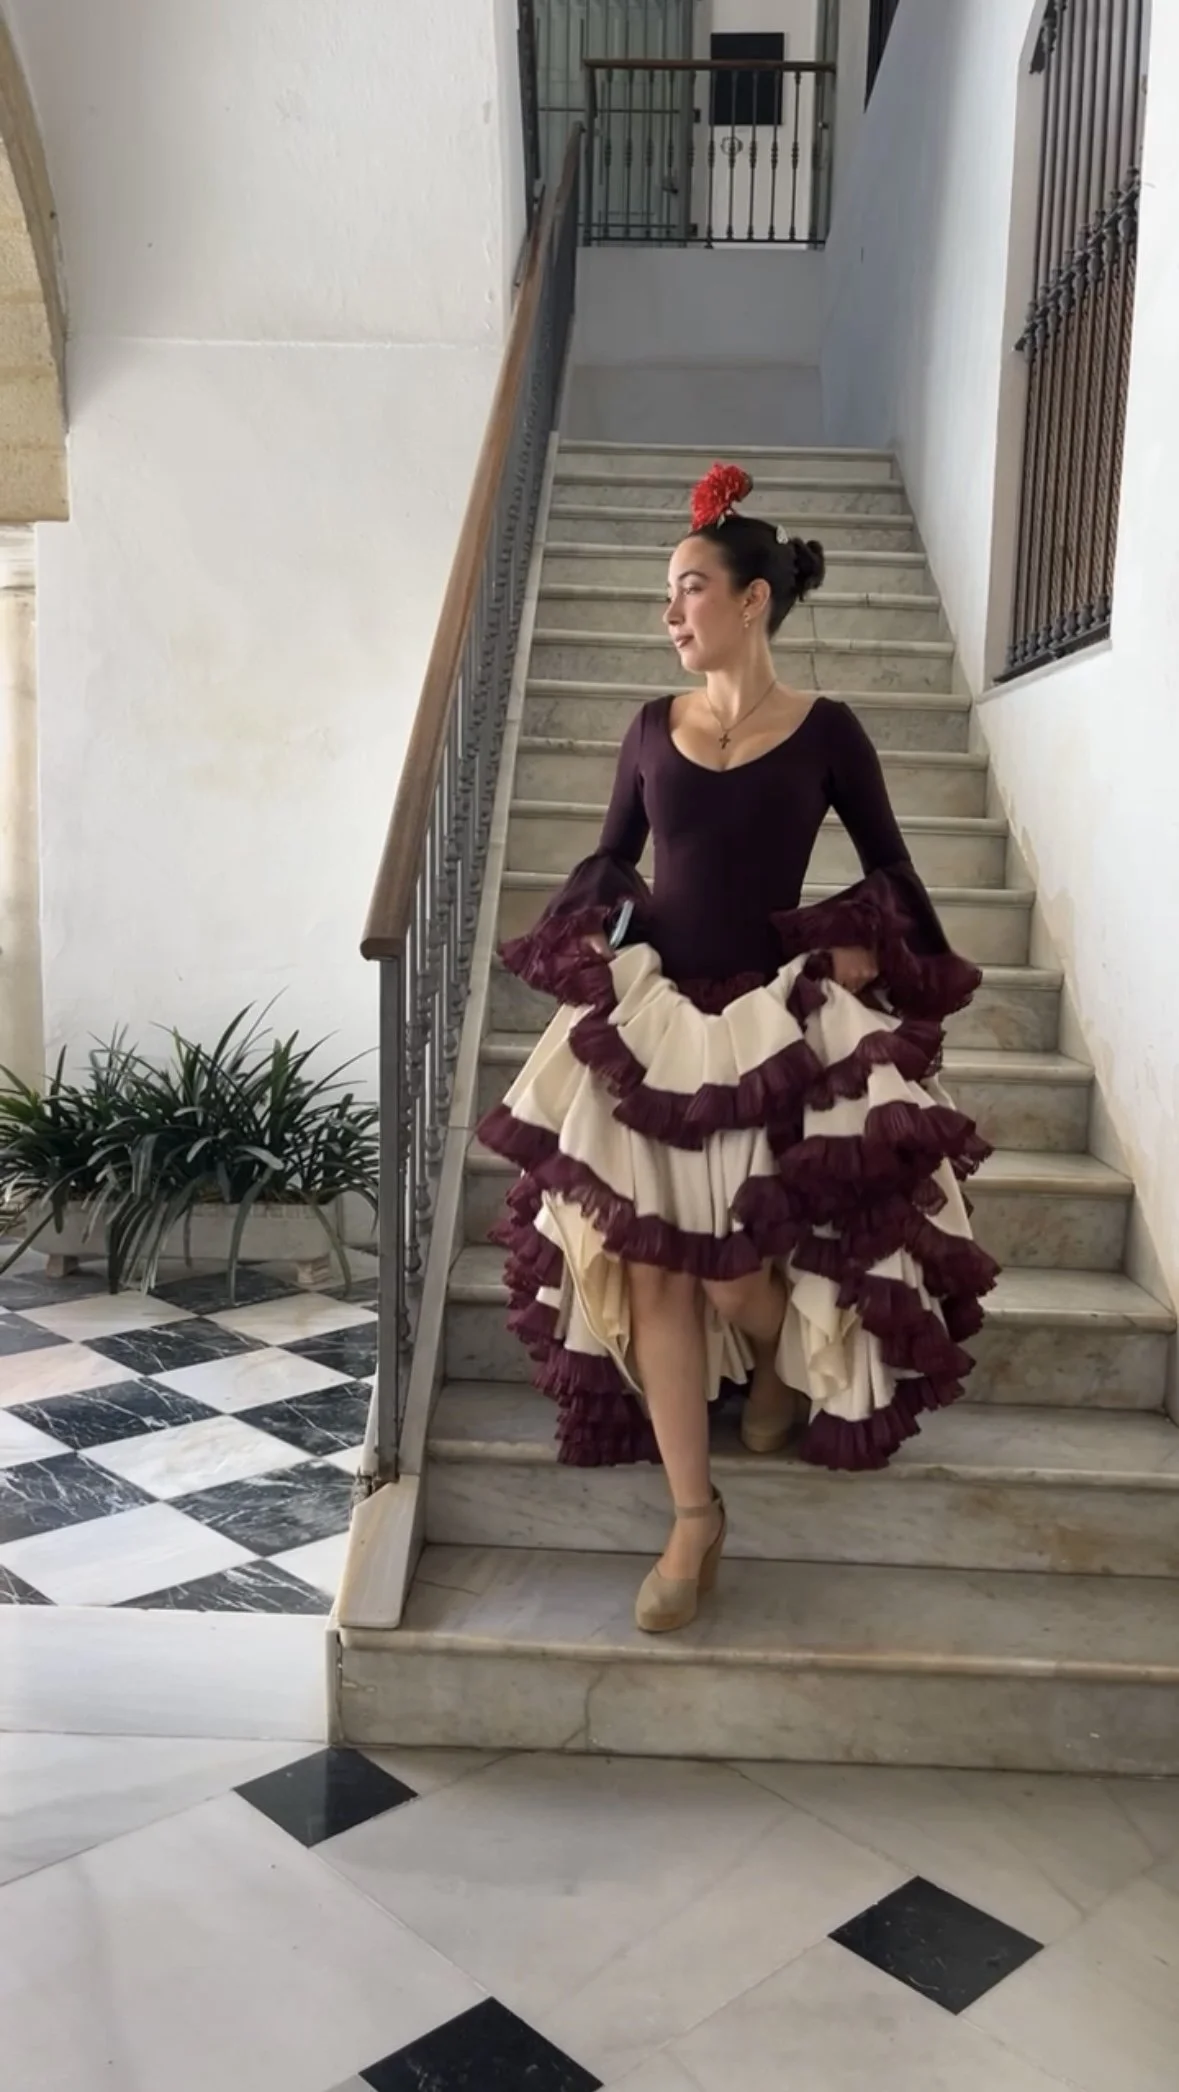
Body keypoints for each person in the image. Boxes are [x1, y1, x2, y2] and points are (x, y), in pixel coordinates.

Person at [478, 463, 997, 1635]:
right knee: (654, 1260)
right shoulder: (648, 729)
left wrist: (867, 940)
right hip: (661, 1017)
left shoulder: (828, 731)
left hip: (769, 1019)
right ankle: (692, 1515)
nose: (672, 613)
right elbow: (616, 860)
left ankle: (774, 1365)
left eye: (690, 588)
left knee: (734, 1266)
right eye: (668, 594)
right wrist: (594, 940)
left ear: (753, 599)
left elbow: (892, 865)